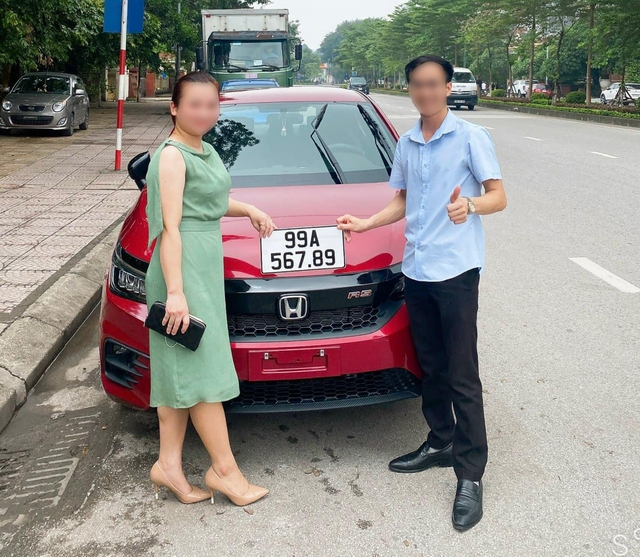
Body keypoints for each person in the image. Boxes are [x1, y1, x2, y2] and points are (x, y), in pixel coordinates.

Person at [336, 54, 507, 531]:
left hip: (456, 272)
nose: (425, 92)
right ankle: (440, 440)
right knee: (430, 365)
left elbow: (499, 195)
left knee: (461, 372)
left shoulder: (472, 137)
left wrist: (470, 205)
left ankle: (470, 472)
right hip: (417, 270)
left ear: (448, 88)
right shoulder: (409, 142)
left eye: (434, 84)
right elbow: (404, 200)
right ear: (410, 89)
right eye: (418, 85)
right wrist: (367, 223)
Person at [145, 71, 275, 507]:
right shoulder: (172, 157)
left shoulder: (203, 148)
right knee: (202, 373)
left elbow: (211, 204)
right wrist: (177, 292)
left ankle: (168, 465)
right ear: (174, 107)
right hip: (181, 267)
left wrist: (249, 208)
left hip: (200, 263)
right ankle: (225, 473)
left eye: (211, 104)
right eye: (194, 104)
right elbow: (171, 228)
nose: (204, 112)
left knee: (178, 370)